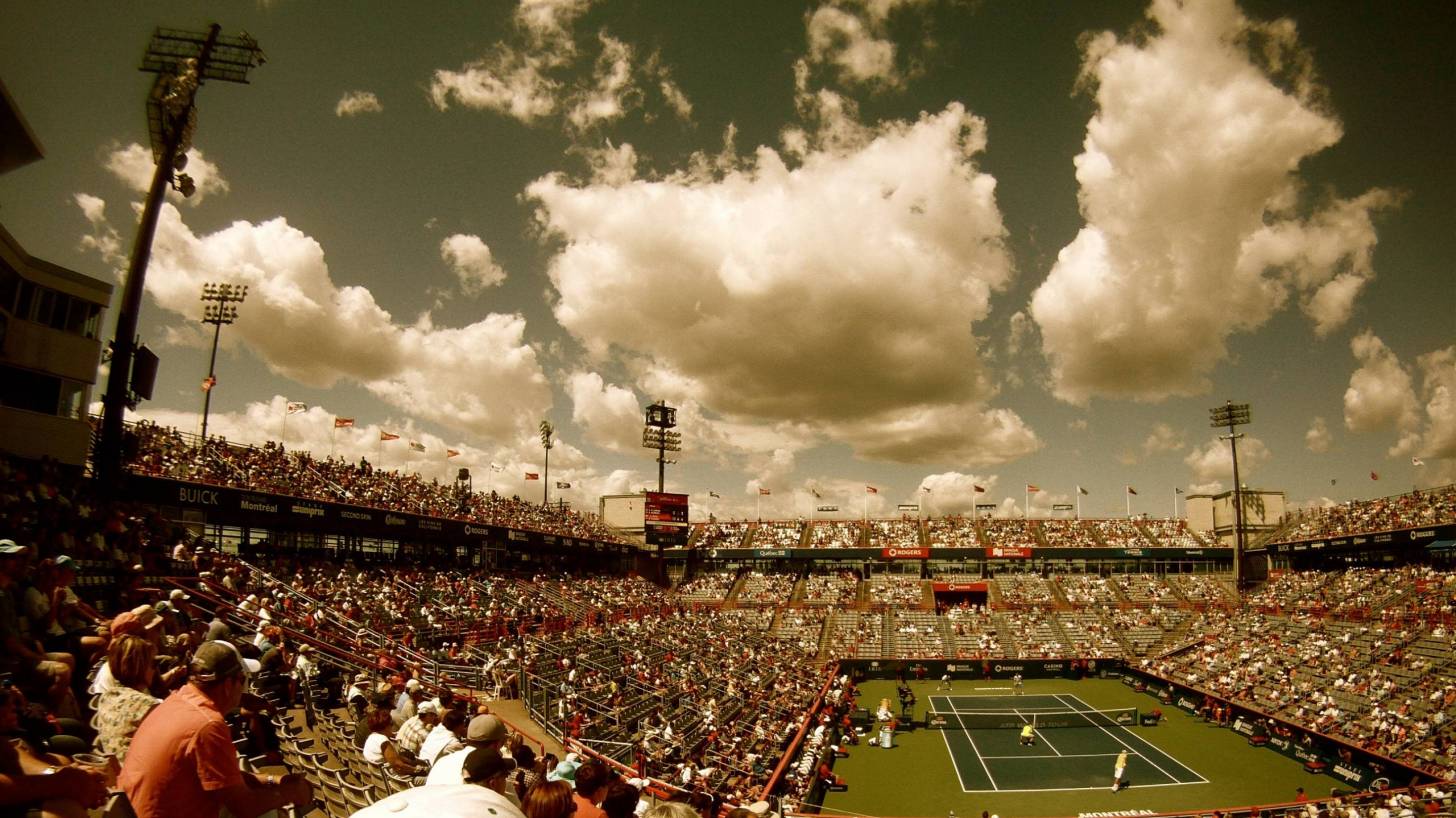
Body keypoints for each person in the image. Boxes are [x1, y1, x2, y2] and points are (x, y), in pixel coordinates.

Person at [119, 640, 312, 818]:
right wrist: (290, 793)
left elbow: (226, 781)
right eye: (242, 679)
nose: (244, 687)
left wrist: (272, 780)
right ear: (228, 684)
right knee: (270, 814)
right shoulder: (208, 725)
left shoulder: (176, 701)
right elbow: (245, 807)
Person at [91, 634, 161, 763]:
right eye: (153, 663)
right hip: (134, 769)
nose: (155, 669)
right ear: (140, 666)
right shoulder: (149, 706)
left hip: (115, 767)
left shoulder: (107, 696)